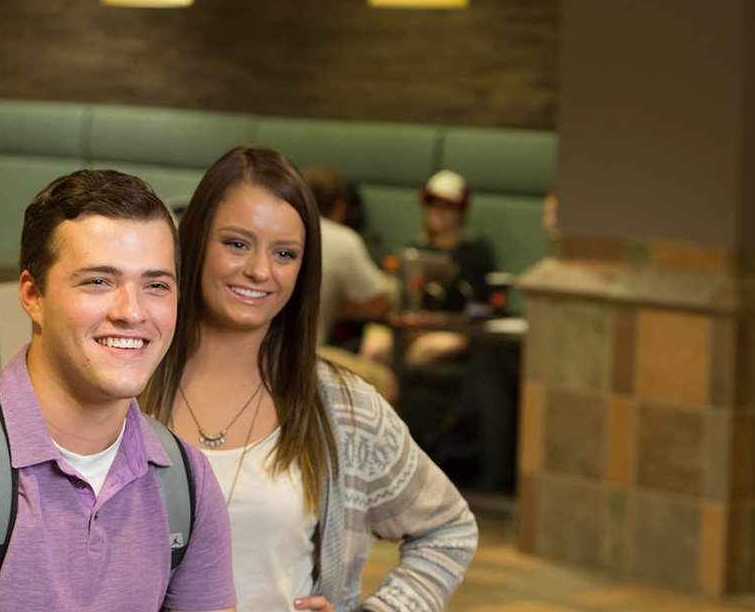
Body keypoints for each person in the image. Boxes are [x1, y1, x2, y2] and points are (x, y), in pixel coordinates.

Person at [0, 169, 237, 612]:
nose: (132, 312)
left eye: (156, 285)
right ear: (33, 295)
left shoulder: (187, 480)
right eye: (98, 281)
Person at [144, 146, 477, 612]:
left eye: (285, 253)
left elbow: (449, 529)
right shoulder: (125, 387)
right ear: (195, 242)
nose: (260, 270)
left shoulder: (343, 407)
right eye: (237, 243)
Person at [359, 169, 497, 367]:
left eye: (446, 206)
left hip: (449, 332)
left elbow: (478, 310)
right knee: (374, 348)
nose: (437, 212)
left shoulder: (474, 258)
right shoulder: (411, 251)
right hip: (405, 326)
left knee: (432, 347)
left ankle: (397, 388)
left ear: (461, 211)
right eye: (432, 205)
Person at [301, 165, 397, 403]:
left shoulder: (272, 227)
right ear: (340, 208)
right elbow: (380, 304)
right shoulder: (343, 241)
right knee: (385, 382)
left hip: (249, 351)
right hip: (302, 356)